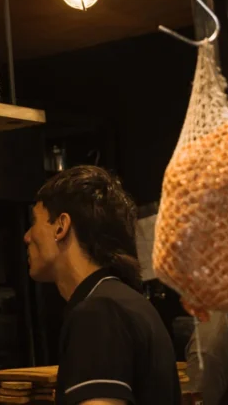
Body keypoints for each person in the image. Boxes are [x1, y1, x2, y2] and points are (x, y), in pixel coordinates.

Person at [25, 166, 182, 405]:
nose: (27, 236)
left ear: (61, 226)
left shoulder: (98, 312)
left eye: (34, 222)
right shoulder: (122, 300)